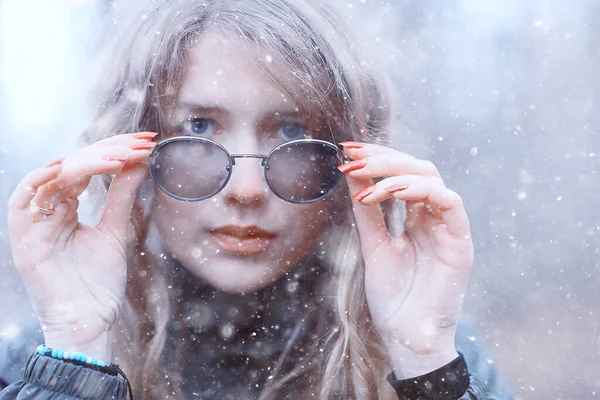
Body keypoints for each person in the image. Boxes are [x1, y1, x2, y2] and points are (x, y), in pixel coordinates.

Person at [0, 0, 513, 398]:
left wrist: (423, 363)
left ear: (349, 156)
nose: (246, 190)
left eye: (292, 132)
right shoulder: (34, 363)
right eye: (199, 127)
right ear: (134, 146)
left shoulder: (442, 355)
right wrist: (76, 353)